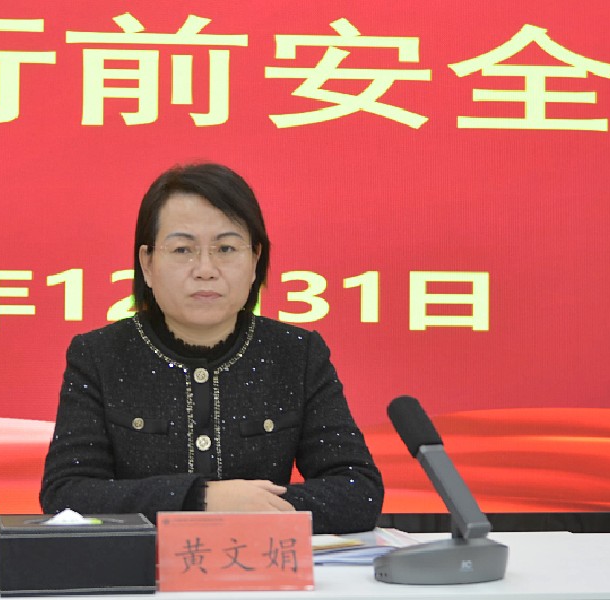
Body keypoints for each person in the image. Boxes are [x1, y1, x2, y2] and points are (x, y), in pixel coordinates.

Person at [40, 163, 383, 533]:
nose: (205, 269)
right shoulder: (99, 355)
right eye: (182, 249)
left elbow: (358, 491)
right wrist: (199, 499)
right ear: (147, 264)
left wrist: (255, 506)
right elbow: (66, 494)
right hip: (142, 566)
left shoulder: (297, 353)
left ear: (255, 261)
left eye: (226, 248)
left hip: (262, 565)